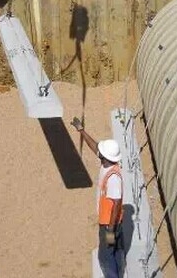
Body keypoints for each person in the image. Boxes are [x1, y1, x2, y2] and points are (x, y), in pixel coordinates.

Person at [71, 118, 124, 278]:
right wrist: (81, 130)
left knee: (105, 256)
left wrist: (110, 229)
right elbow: (94, 147)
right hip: (112, 222)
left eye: (102, 155)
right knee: (113, 250)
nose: (99, 155)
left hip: (109, 223)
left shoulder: (114, 177)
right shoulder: (107, 164)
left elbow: (115, 204)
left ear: (107, 158)